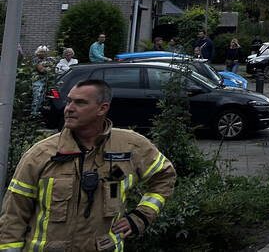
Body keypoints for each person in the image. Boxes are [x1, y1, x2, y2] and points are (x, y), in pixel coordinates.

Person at [0, 79, 176, 251]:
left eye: (80, 103)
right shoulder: (41, 154)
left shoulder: (131, 147)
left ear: (102, 108)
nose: (69, 108)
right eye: (68, 101)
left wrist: (142, 216)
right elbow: (13, 215)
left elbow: (164, 176)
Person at [30, 46, 56, 114]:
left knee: (42, 98)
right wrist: (48, 68)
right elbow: (41, 70)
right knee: (37, 97)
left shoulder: (45, 60)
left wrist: (48, 68)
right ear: (38, 52)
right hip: (37, 82)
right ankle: (34, 113)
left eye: (45, 52)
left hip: (44, 81)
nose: (44, 53)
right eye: (42, 52)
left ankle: (39, 113)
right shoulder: (36, 60)